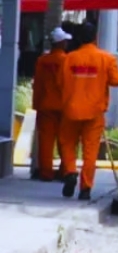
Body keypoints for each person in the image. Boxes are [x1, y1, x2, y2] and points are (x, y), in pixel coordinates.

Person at [58, 23, 118, 200]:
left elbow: (60, 82)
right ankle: (85, 187)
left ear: (78, 38)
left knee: (67, 143)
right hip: (94, 113)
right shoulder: (107, 59)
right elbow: (116, 81)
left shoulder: (69, 58)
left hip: (71, 110)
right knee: (90, 151)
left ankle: (70, 172)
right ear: (95, 37)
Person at [32, 27, 73, 182]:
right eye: (65, 41)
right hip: (64, 106)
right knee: (65, 140)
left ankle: (46, 173)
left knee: (46, 142)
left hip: (45, 105)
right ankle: (65, 171)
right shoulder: (67, 60)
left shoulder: (42, 61)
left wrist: (36, 105)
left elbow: (38, 85)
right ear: (61, 43)